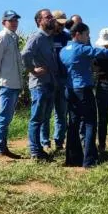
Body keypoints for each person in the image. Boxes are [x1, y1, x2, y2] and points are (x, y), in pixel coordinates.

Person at [59, 22, 108, 168]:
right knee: (90, 123)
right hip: (83, 89)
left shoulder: (63, 51)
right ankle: (90, 160)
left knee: (73, 124)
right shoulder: (82, 49)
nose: (88, 38)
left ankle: (73, 159)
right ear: (78, 34)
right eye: (87, 34)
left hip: (70, 90)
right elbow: (105, 53)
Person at [21, 9, 59, 161]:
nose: (51, 19)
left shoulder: (49, 38)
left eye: (51, 17)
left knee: (44, 117)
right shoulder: (37, 37)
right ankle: (35, 151)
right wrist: (33, 70)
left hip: (49, 83)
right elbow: (25, 54)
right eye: (48, 17)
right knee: (37, 118)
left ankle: (40, 149)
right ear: (39, 21)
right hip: (39, 84)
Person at [0, 10, 24, 159]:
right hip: (6, 83)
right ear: (4, 22)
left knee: (7, 117)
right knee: (4, 116)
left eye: (16, 20)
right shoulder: (2, 37)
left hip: (13, 84)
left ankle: (3, 147)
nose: (14, 23)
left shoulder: (13, 38)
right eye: (11, 20)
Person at [40, 9, 71, 153]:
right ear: (53, 22)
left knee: (61, 112)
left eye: (64, 24)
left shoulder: (67, 37)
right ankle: (45, 142)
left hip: (64, 79)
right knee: (46, 113)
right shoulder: (47, 37)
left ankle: (59, 142)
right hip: (49, 79)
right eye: (59, 24)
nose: (62, 26)